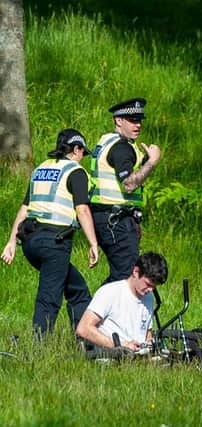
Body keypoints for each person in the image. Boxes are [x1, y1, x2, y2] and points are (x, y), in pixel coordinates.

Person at [1, 129, 99, 337]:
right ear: (75, 149)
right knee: (50, 296)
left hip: (30, 242)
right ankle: (39, 347)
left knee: (77, 288)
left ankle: (87, 338)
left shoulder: (40, 169)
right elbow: (82, 209)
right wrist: (93, 244)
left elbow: (24, 208)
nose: (82, 157)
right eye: (82, 151)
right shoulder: (76, 172)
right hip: (54, 243)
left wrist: (11, 242)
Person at [89, 98, 161, 284]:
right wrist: (152, 162)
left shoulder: (107, 141)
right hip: (115, 220)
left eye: (139, 120)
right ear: (118, 120)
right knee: (125, 277)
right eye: (132, 120)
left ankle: (94, 312)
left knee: (121, 275)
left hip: (107, 217)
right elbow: (129, 184)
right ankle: (92, 313)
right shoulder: (122, 147)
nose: (138, 125)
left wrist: (143, 162)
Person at [76, 252, 168, 352]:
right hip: (111, 357)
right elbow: (83, 329)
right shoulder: (110, 292)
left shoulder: (149, 297)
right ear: (136, 272)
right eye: (148, 284)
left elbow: (147, 333)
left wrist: (149, 345)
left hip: (139, 359)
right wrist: (119, 346)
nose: (150, 290)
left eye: (154, 287)